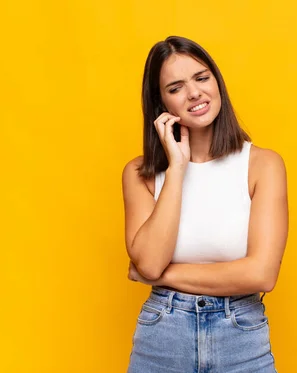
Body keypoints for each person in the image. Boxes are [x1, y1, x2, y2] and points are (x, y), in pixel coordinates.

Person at [122, 35, 288, 373]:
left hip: (241, 337)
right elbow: (151, 264)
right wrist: (178, 168)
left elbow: (262, 274)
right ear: (161, 104)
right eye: (176, 87)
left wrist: (165, 275)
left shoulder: (262, 165)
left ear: (217, 82)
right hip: (162, 337)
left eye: (201, 78)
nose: (194, 93)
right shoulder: (140, 174)